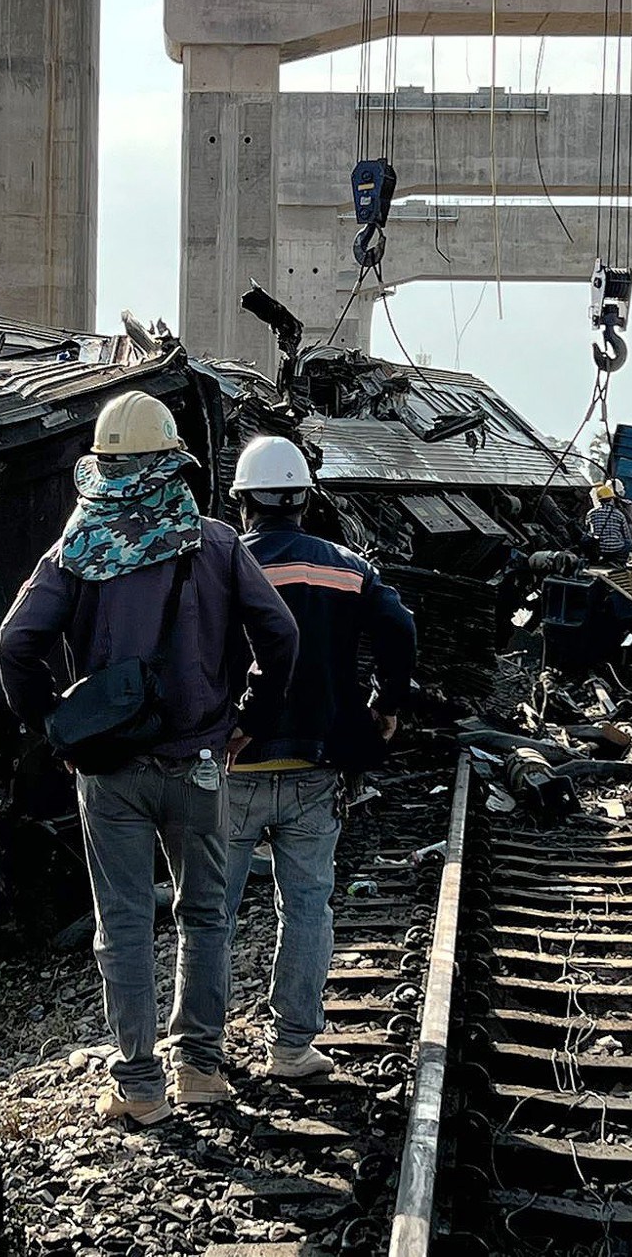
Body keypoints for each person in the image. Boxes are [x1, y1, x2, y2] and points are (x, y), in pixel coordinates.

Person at [0, 392, 299, 1128]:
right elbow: (281, 635)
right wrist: (250, 719)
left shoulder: (75, 548)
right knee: (205, 917)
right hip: (199, 762)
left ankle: (138, 1085)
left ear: (104, 467)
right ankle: (200, 1068)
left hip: (109, 773)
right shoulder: (219, 541)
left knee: (124, 923)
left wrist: (56, 726)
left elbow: (15, 646)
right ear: (171, 466)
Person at [223, 435, 416, 1083]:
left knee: (208, 914)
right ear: (304, 500)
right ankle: (292, 1049)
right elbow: (401, 629)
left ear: (243, 502)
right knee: (306, 906)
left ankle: (201, 1058)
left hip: (231, 767)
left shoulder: (219, 566)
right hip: (317, 766)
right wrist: (385, 704)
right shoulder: (344, 566)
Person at [584, 482, 632, 565]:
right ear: (612, 499)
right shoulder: (619, 514)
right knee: (629, 542)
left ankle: (593, 559)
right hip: (616, 549)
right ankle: (619, 562)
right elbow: (627, 535)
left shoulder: (591, 513)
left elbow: (588, 531)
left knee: (585, 539)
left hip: (599, 548)